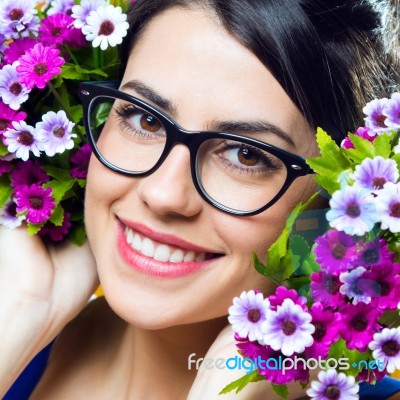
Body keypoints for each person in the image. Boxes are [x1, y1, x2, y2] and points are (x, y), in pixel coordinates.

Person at [1, 0, 399, 398]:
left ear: (345, 205)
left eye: (247, 155)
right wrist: (22, 310)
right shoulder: (22, 327)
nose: (162, 194)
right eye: (145, 119)